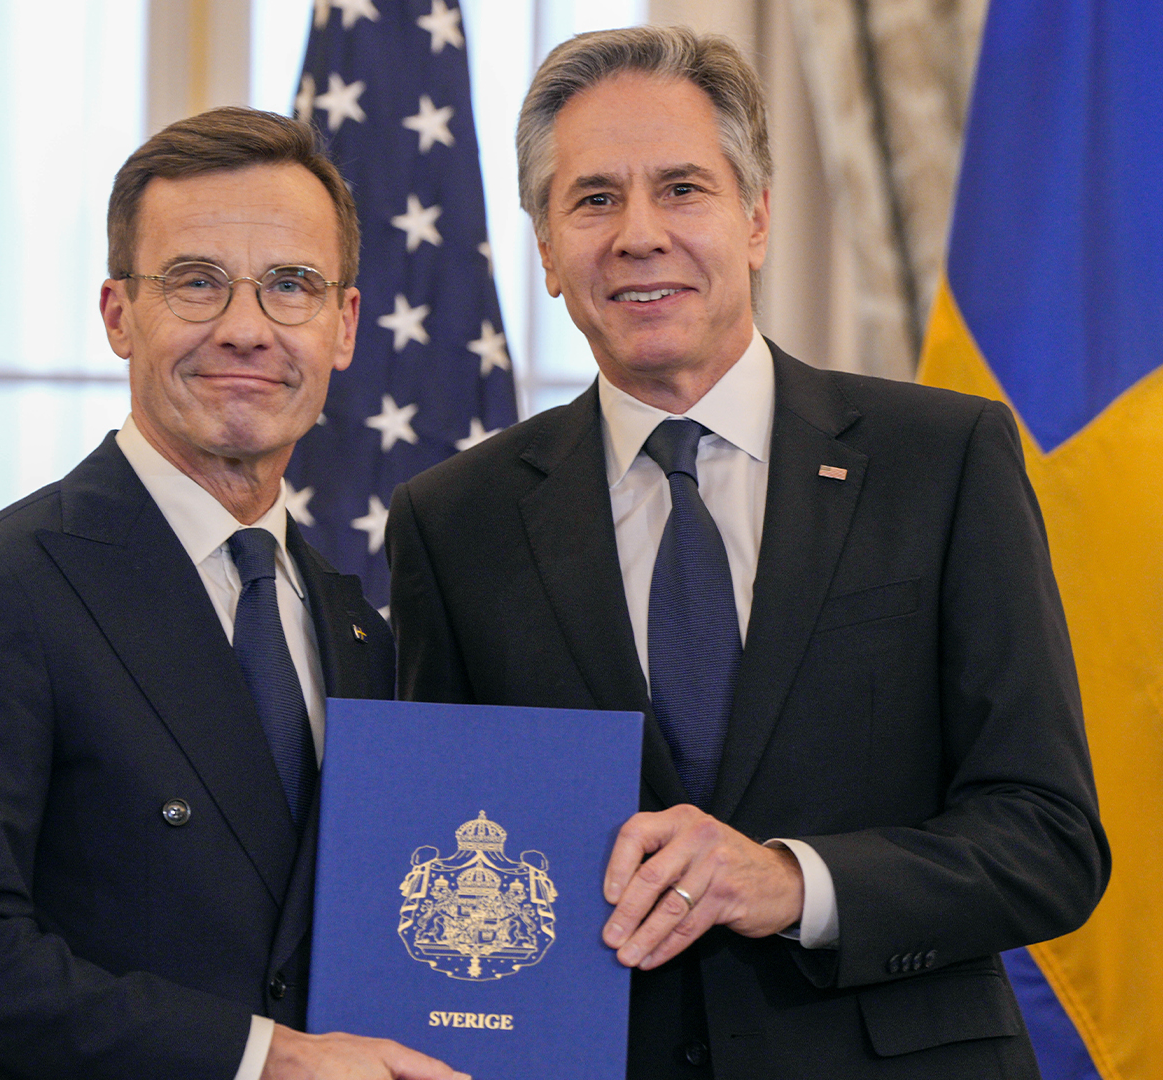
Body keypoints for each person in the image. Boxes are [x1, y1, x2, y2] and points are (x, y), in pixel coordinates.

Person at [385, 27, 1109, 1079]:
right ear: (544, 249)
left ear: (757, 217)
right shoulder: (455, 522)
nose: (639, 234)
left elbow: (1049, 840)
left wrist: (792, 880)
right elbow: (443, 851)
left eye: (682, 188)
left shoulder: (943, 462)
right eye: (593, 200)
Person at [0, 107, 465, 1080]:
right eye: (196, 283)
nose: (245, 328)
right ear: (118, 315)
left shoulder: (359, 626)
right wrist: (265, 1059)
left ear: (344, 326)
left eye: (291, 287)